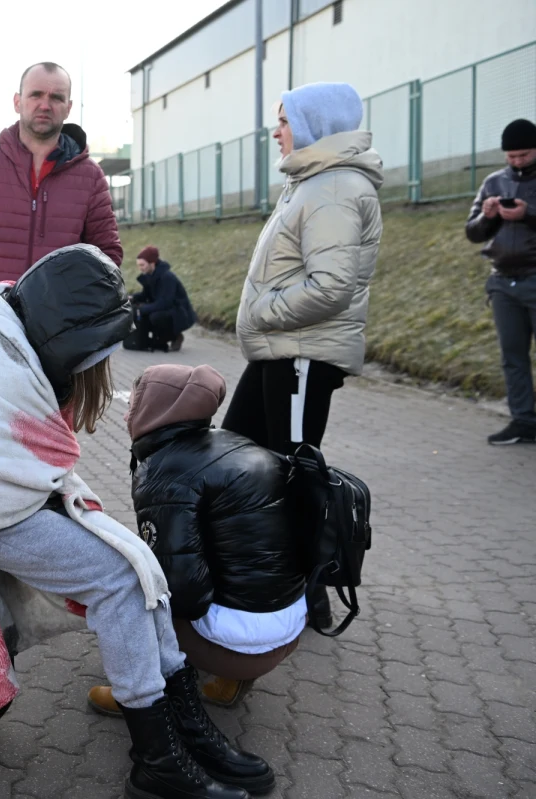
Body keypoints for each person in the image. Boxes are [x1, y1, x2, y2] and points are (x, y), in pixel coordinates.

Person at [0, 244, 269, 799]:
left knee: (136, 563)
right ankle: (157, 758)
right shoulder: (0, 355)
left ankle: (183, 726)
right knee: (117, 578)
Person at [222, 82, 382, 632]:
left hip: (300, 356)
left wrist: (262, 311)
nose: (276, 130)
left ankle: (306, 593)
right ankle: (252, 571)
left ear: (315, 124)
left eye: (285, 119)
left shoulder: (334, 186)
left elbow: (331, 285)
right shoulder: (311, 182)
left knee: (292, 471)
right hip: (280, 353)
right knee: (236, 452)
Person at [87, 364, 306, 716]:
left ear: (159, 407)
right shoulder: (232, 441)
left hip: (242, 644)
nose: (127, 411)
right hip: (289, 625)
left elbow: (181, 589)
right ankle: (228, 681)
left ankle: (140, 690)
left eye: (134, 401)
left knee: (131, 581)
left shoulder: (167, 471)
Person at [0, 62, 123, 306]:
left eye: (56, 97)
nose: (45, 104)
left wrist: (72, 303)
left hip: (59, 332)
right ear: (17, 102)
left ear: (68, 108)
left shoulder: (90, 176)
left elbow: (106, 255)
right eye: (36, 95)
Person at [465, 118, 536, 445]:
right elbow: (472, 232)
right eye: (511, 156)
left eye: (524, 155)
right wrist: (489, 216)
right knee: (512, 355)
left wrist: (527, 214)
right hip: (502, 281)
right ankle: (523, 421)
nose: (517, 161)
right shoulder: (493, 182)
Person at [124, 246, 196, 352]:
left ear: (152, 263)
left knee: (154, 316)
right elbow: (146, 295)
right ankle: (156, 340)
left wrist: (143, 308)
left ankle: (174, 336)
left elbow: (165, 302)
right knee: (142, 313)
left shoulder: (167, 277)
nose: (140, 268)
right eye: (139, 265)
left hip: (178, 313)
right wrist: (133, 298)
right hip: (165, 308)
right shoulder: (150, 275)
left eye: (142, 265)